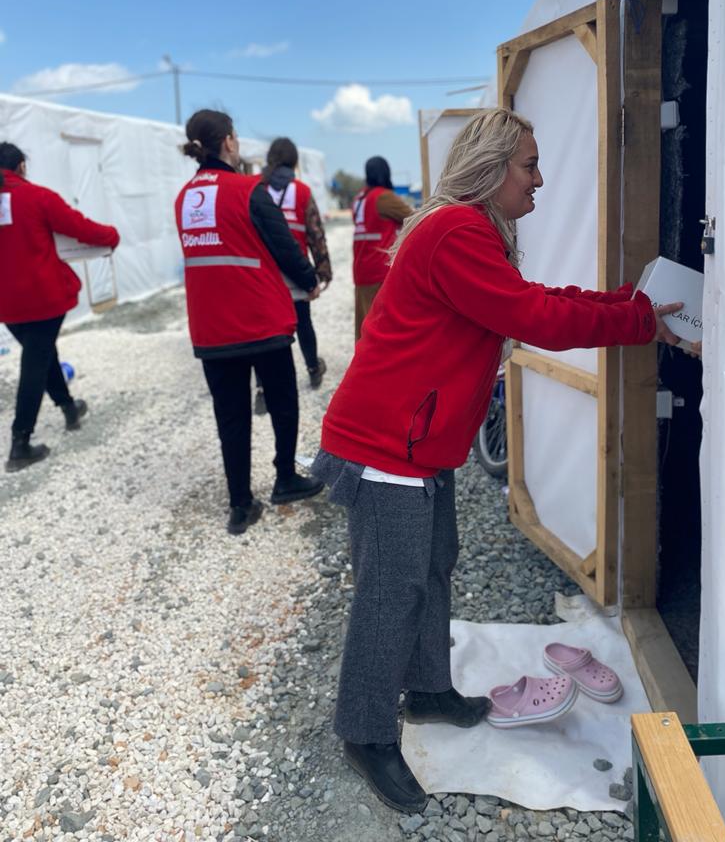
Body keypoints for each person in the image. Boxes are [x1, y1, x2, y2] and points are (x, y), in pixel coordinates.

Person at [312, 108, 683, 813]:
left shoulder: (469, 229)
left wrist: (635, 307)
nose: (539, 180)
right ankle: (363, 732)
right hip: (385, 443)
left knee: (432, 564)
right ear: (492, 168)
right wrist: (637, 319)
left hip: (416, 443)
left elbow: (536, 301)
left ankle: (424, 690)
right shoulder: (455, 230)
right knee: (392, 590)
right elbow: (534, 317)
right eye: (530, 166)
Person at [175, 110, 324, 535]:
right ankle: (284, 479)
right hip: (261, 323)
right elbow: (284, 246)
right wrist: (309, 281)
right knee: (283, 402)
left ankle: (240, 505)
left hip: (211, 330)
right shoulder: (248, 190)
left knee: (231, 416)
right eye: (235, 137)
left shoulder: (183, 198)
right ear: (228, 142)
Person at [0, 142, 120, 472]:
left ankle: (69, 408)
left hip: (6, 304)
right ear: (21, 167)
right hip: (43, 299)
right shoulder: (37, 197)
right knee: (35, 364)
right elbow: (78, 226)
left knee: (42, 354)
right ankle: (20, 442)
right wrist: (111, 235)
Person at [257, 136, 331, 399]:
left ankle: (263, 388)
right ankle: (312, 368)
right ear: (294, 161)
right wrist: (322, 272)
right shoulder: (301, 191)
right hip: (296, 274)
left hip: (264, 275)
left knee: (265, 330)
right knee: (303, 324)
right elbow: (315, 234)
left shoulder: (257, 189)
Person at [352, 156, 412, 340]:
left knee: (364, 323)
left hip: (361, 269)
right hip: (380, 270)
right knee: (382, 324)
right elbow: (414, 217)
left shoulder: (359, 198)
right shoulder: (383, 197)